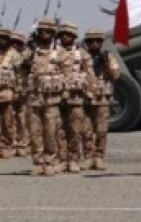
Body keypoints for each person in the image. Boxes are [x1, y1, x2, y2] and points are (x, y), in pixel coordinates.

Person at [55, 21, 97, 173]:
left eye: (68, 34)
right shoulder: (54, 53)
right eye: (62, 34)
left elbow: (90, 76)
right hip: (57, 98)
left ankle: (73, 159)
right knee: (59, 130)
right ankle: (62, 159)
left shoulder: (82, 54)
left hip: (76, 98)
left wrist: (91, 95)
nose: (65, 37)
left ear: (73, 36)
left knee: (75, 130)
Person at [26, 18, 64, 176]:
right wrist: (29, 52)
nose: (45, 34)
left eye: (48, 32)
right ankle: (38, 162)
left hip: (51, 100)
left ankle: (50, 161)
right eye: (42, 31)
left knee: (50, 132)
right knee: (35, 133)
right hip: (34, 98)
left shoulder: (59, 53)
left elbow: (67, 75)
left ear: (53, 34)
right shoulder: (31, 52)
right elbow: (20, 70)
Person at [83, 27, 120, 170]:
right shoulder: (82, 57)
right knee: (86, 130)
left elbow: (116, 75)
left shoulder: (108, 56)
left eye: (97, 41)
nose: (94, 44)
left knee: (101, 130)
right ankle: (88, 157)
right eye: (91, 41)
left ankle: (99, 157)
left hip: (103, 99)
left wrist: (106, 64)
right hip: (87, 98)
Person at [0, 28, 23, 159]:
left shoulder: (14, 55)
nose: (1, 41)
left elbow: (20, 74)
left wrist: (18, 91)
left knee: (7, 122)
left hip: (7, 92)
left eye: (4, 38)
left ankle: (6, 145)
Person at [10, 31, 30, 157]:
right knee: (11, 119)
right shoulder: (9, 55)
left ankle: (23, 143)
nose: (16, 44)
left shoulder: (26, 54)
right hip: (11, 91)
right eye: (14, 42)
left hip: (23, 91)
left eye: (19, 42)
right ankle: (13, 143)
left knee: (23, 119)